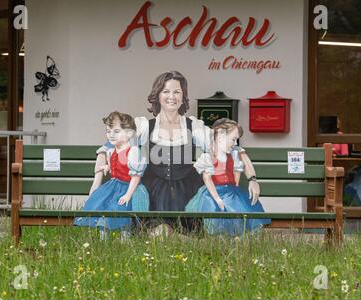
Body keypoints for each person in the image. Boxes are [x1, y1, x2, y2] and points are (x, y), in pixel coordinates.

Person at [97, 71, 261, 235]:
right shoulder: (144, 126)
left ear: (183, 96)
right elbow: (113, 146)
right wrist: (97, 179)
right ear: (158, 95)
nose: (171, 97)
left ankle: (181, 237)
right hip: (153, 191)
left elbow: (227, 146)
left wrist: (252, 179)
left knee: (187, 230)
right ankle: (160, 235)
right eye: (166, 91)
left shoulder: (193, 126)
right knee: (158, 230)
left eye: (177, 92)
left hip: (188, 189)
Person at [185, 118, 271, 236]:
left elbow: (240, 163)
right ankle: (219, 237)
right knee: (215, 211)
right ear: (220, 136)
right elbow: (207, 178)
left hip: (230, 191)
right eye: (233, 139)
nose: (235, 143)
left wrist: (251, 180)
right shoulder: (208, 154)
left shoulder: (234, 153)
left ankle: (237, 237)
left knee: (240, 208)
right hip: (212, 193)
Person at [74, 111, 149, 240]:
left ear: (129, 133)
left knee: (119, 207)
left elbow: (135, 176)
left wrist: (128, 194)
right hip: (114, 185)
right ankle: (104, 240)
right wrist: (107, 167)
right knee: (99, 201)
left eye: (116, 131)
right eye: (108, 131)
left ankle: (125, 239)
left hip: (127, 187)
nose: (111, 135)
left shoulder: (133, 151)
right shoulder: (113, 149)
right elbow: (117, 163)